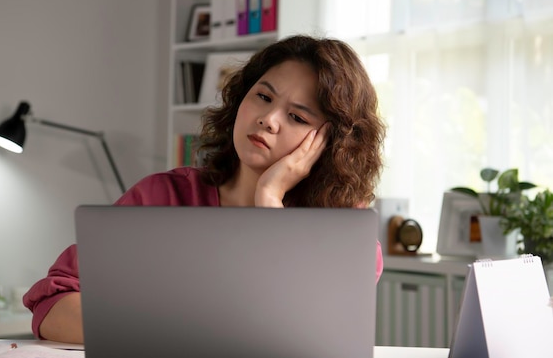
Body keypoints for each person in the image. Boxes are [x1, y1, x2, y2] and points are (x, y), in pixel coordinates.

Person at [23, 35, 387, 344]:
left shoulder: (346, 239)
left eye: (297, 117)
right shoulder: (160, 197)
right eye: (263, 96)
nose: (268, 119)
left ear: (331, 143)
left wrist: (269, 201)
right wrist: (175, 334)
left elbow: (311, 335)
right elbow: (52, 305)